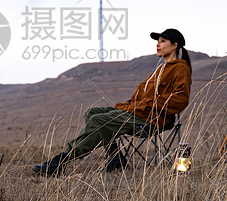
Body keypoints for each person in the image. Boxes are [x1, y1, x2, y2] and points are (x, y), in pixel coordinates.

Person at [32, 28, 192, 175]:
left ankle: (59, 162)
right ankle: (116, 158)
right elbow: (139, 98)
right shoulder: (160, 69)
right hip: (137, 114)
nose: (158, 45)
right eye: (157, 41)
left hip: (151, 120)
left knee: (98, 120)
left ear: (174, 45)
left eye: (162, 41)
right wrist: (133, 106)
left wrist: (148, 105)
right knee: (92, 112)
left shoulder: (180, 68)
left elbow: (181, 99)